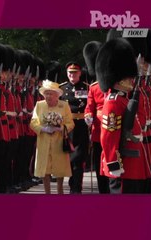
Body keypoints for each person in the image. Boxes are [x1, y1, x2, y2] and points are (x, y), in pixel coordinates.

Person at [96, 38, 151, 193]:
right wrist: (113, 163)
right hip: (123, 165)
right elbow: (109, 137)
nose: (131, 79)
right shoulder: (113, 102)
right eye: (127, 76)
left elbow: (138, 122)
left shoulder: (124, 99)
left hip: (134, 162)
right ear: (117, 79)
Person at [30, 80, 74, 194]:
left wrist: (61, 128)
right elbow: (33, 122)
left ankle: (60, 192)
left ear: (57, 95)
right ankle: (47, 193)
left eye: (51, 93)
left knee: (59, 168)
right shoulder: (39, 105)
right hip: (44, 140)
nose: (48, 96)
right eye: (46, 93)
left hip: (58, 141)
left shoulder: (64, 105)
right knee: (45, 168)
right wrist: (43, 129)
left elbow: (71, 123)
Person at [82, 41, 110, 193]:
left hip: (113, 129)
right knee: (99, 164)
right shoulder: (94, 87)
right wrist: (88, 117)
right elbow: (89, 107)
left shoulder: (115, 85)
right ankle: (102, 191)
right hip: (98, 131)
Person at [60, 62, 90, 194]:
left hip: (81, 125)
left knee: (79, 158)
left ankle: (76, 186)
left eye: (75, 73)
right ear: (67, 74)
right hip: (67, 127)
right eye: (70, 73)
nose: (72, 75)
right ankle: (72, 183)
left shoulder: (87, 88)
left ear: (80, 73)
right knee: (69, 158)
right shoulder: (61, 88)